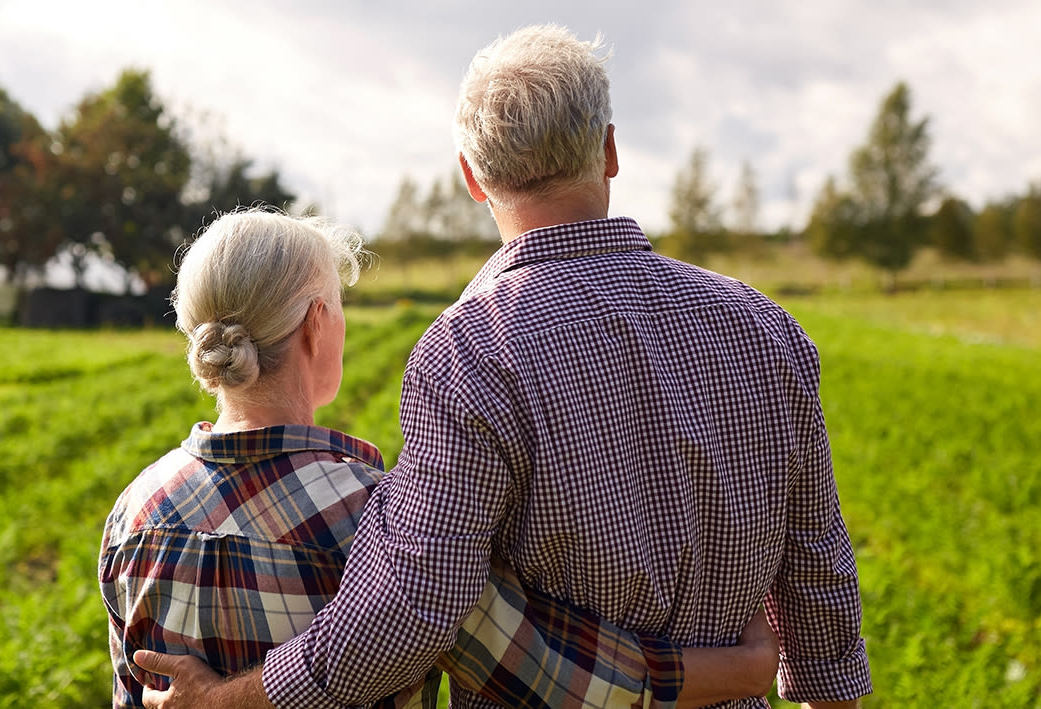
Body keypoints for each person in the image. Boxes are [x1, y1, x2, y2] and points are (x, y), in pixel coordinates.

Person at [135, 25, 872, 709]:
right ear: (610, 150)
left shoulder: (469, 353)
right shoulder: (765, 328)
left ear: (472, 177)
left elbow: (411, 611)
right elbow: (819, 575)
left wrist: (225, 699)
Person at [102, 210, 783, 709]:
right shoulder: (378, 516)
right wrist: (743, 668)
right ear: (315, 325)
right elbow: (555, 674)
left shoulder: (134, 513)